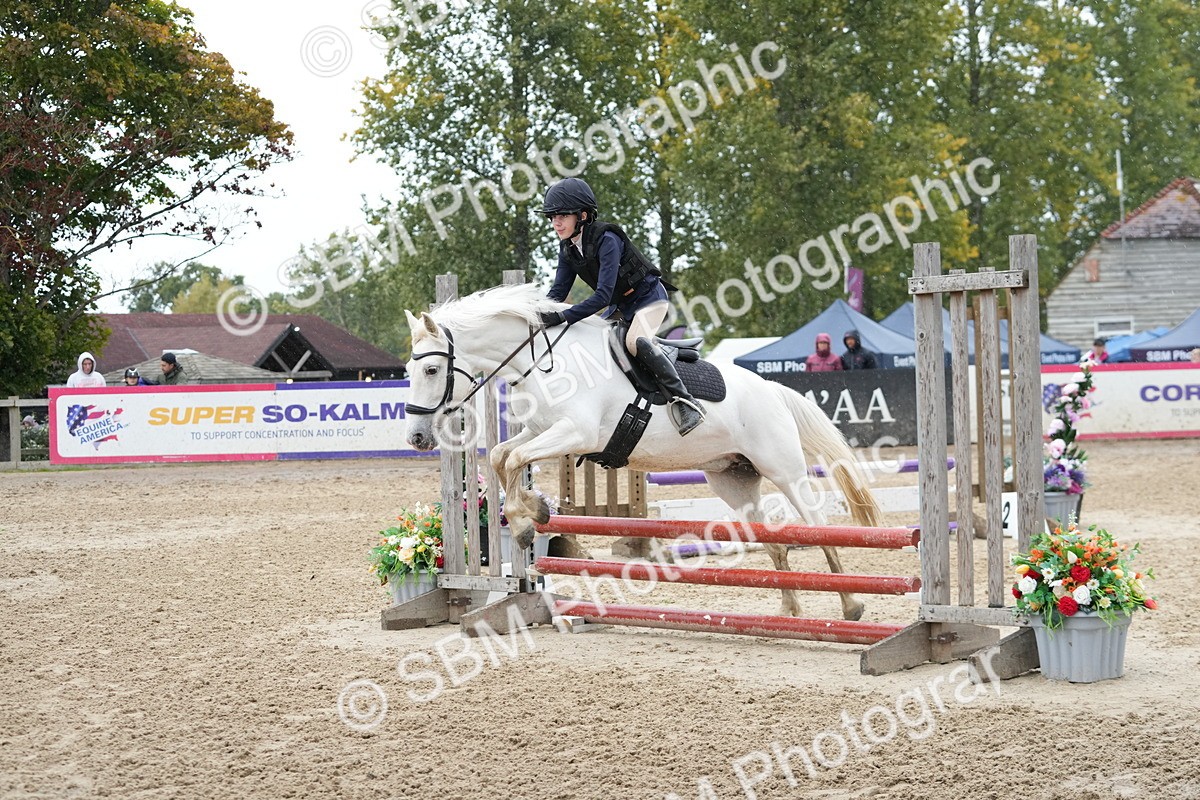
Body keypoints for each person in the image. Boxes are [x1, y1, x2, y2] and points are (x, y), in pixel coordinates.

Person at [537, 177, 704, 436]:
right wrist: (537, 314)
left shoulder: (607, 238)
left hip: (649, 298)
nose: (555, 223)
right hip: (622, 305)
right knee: (594, 343)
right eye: (552, 217)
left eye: (562, 216)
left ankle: (685, 401)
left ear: (582, 215)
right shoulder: (567, 248)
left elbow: (602, 296)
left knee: (634, 342)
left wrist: (562, 317)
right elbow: (557, 293)